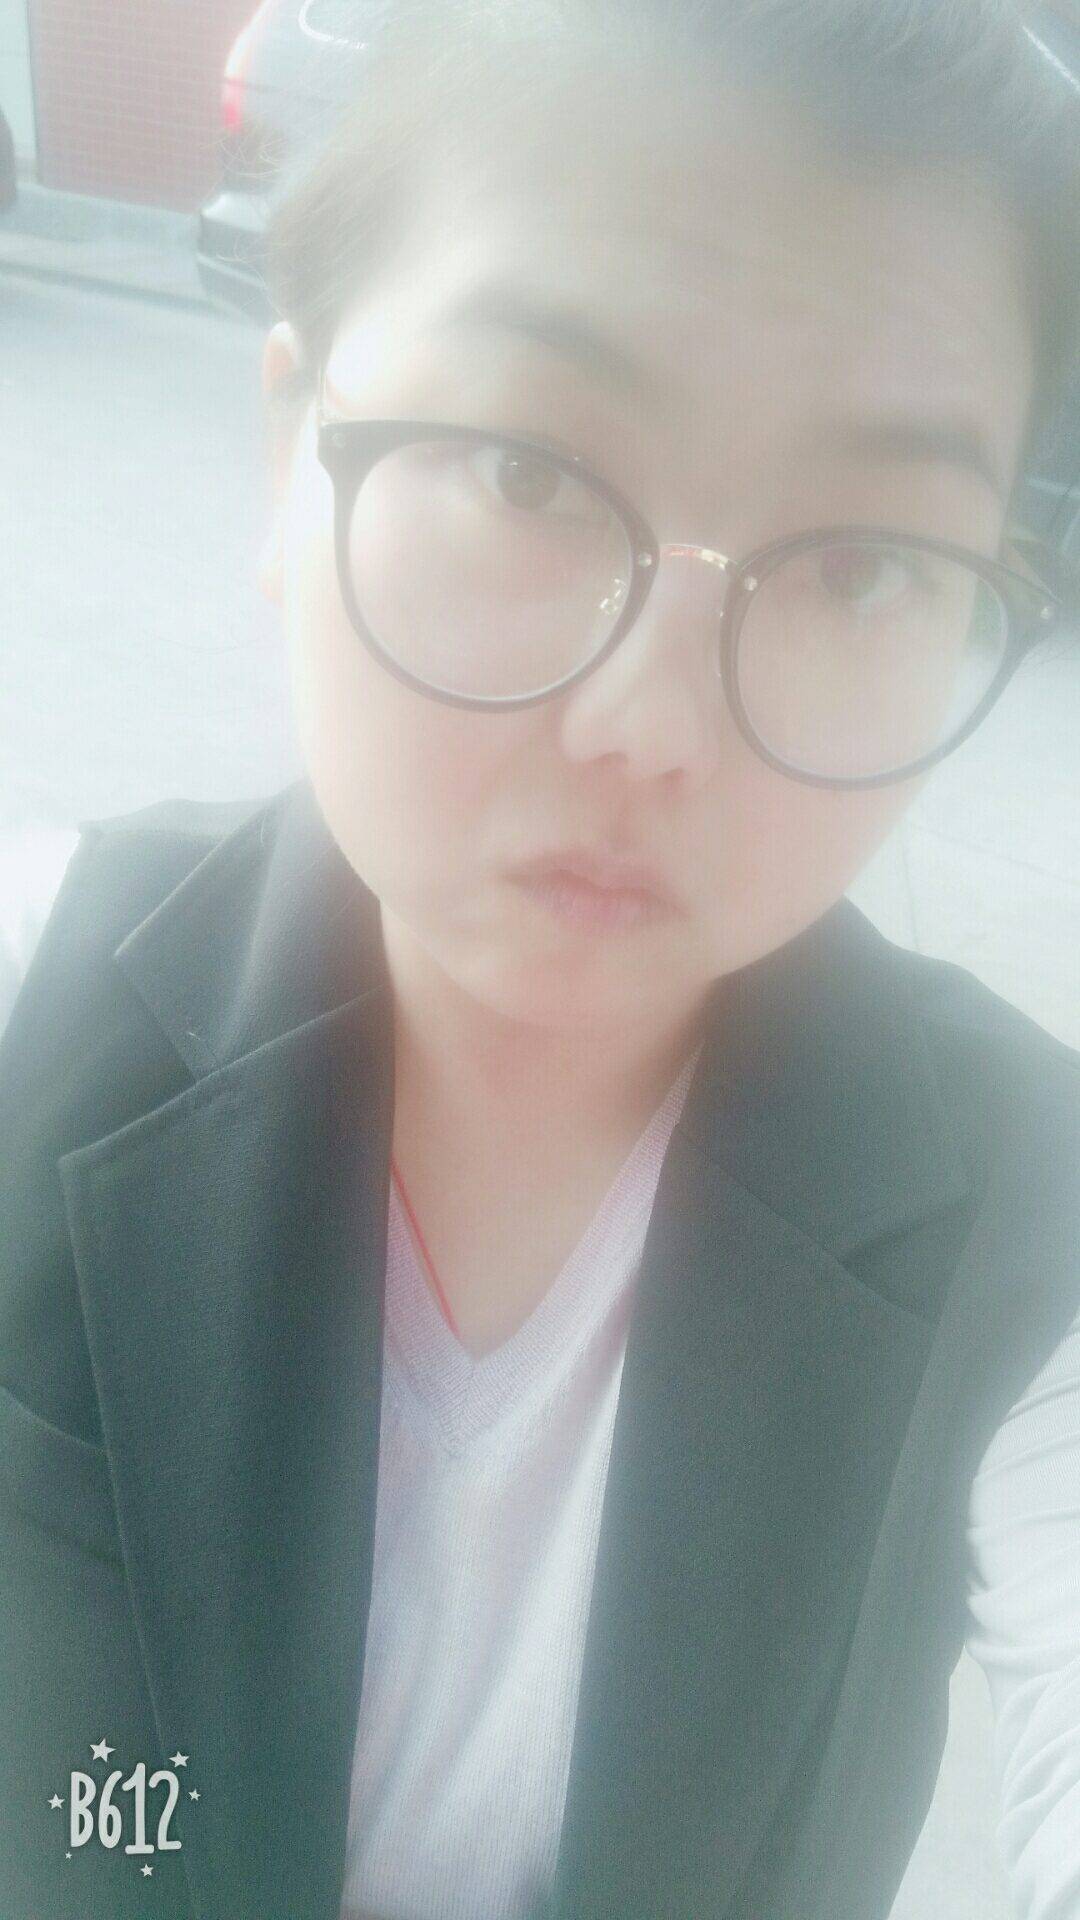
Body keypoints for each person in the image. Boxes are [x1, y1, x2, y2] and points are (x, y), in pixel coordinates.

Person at [1, 2, 1078, 1916]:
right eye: (528, 472)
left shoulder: (1025, 1208)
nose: (652, 726)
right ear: (292, 447)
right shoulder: (34, 996)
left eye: (860, 565)